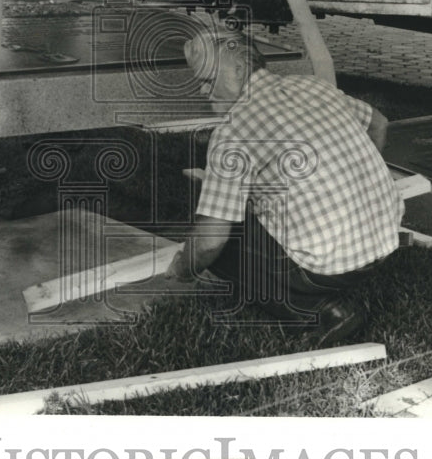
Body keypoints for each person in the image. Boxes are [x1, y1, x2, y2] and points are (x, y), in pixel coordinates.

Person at [166, 30, 404, 342]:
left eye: (208, 80)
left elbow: (210, 242)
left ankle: (319, 310)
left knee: (217, 237)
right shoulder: (311, 85)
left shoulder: (234, 130)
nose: (203, 90)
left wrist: (184, 268)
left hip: (326, 269)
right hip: (383, 245)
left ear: (239, 69)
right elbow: (379, 124)